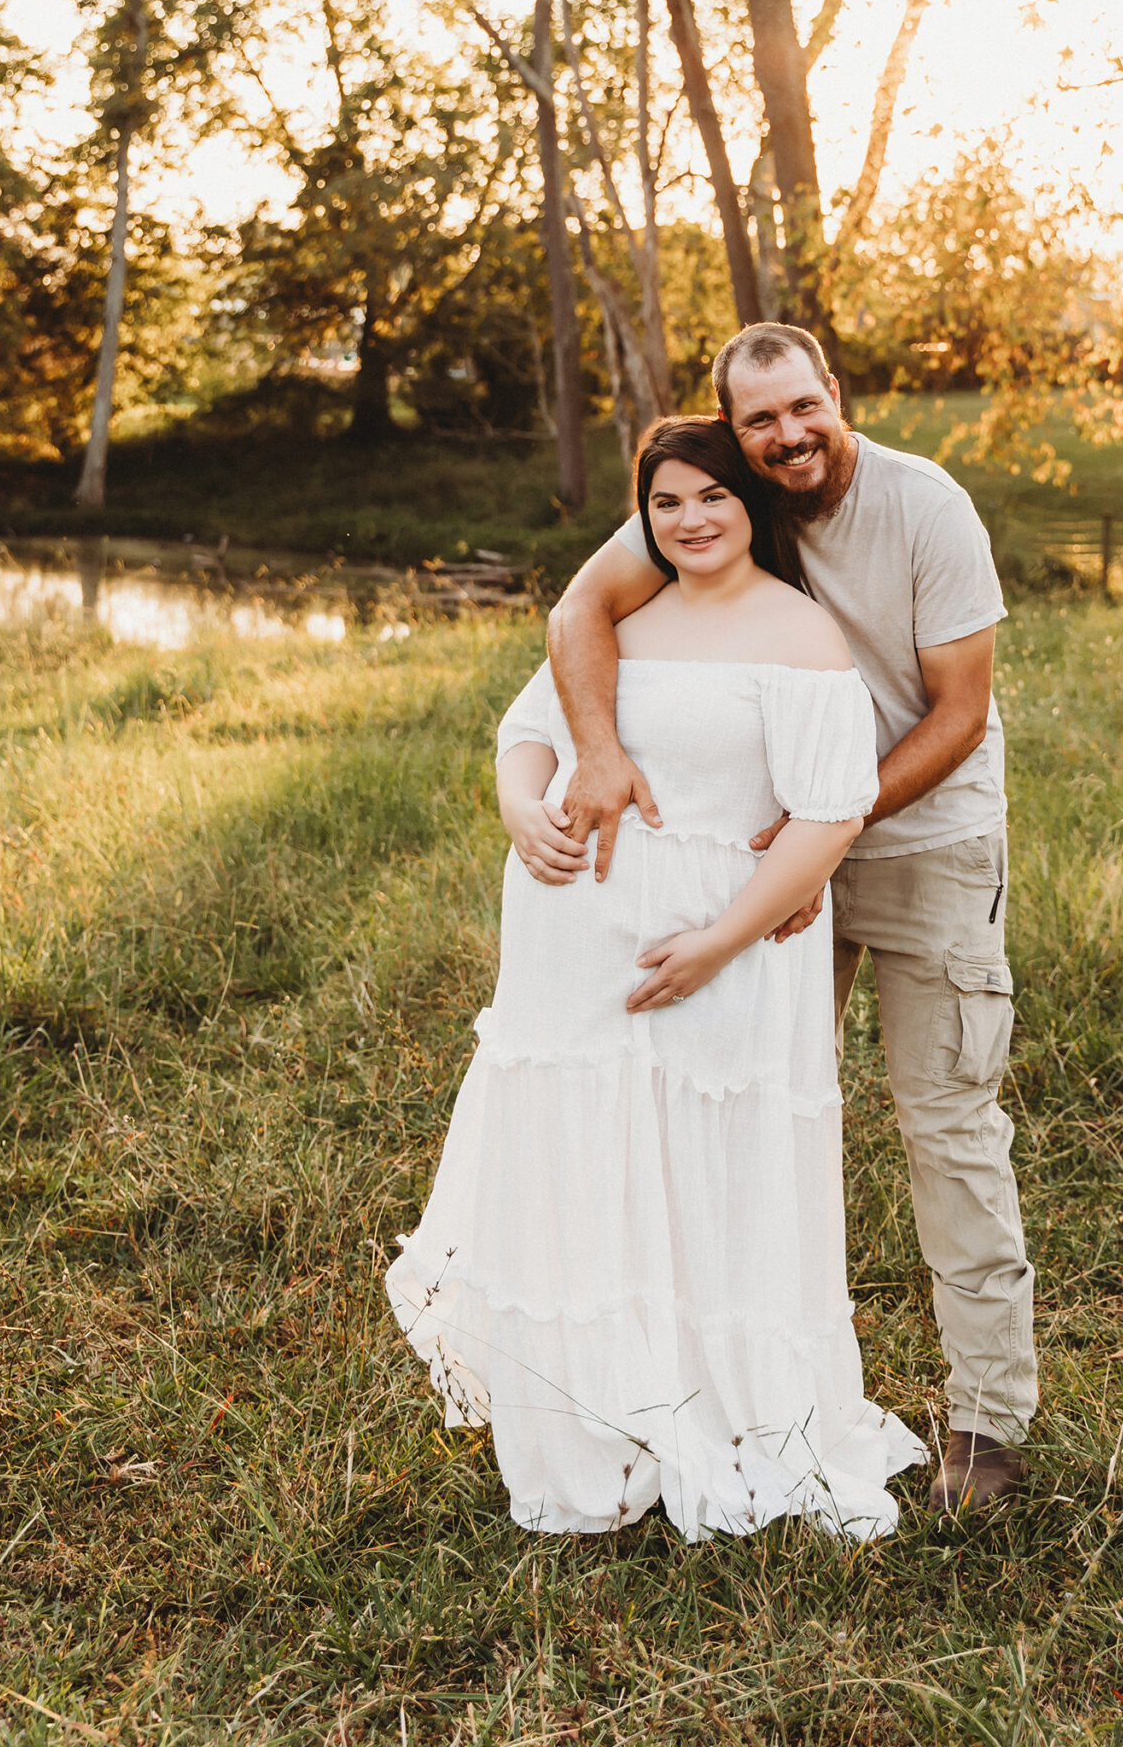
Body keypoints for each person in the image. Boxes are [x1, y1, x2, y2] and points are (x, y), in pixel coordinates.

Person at [387, 413, 923, 1541]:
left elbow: (831, 815)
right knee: (588, 1164)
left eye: (712, 497)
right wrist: (522, 810)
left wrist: (722, 941)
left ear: (752, 507)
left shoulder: (801, 636)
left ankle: (722, 1409)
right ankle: (593, 1417)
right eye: (666, 501)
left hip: (722, 948)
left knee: (709, 1169)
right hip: (576, 939)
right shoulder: (623, 616)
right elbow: (523, 732)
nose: (690, 520)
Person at [545, 323, 1035, 1510]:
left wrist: (830, 828)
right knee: (738, 1108)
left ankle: (988, 1425)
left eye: (803, 408)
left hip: (917, 843)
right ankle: (729, 1396)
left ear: (836, 396)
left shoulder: (928, 508)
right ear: (734, 423)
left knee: (946, 1124)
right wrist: (598, 752)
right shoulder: (724, 494)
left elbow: (959, 713)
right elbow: (575, 616)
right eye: (761, 419)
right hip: (770, 860)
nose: (787, 437)